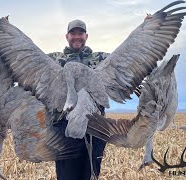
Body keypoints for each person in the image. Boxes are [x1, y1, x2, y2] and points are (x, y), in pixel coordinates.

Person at [47, 19, 109, 180]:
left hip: (95, 127)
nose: (76, 36)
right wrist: (5, 28)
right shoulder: (53, 60)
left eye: (80, 33)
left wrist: (149, 28)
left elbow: (133, 58)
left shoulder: (101, 59)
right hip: (63, 127)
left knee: (90, 175)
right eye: (73, 33)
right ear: (66, 36)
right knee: (67, 176)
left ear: (86, 35)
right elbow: (24, 57)